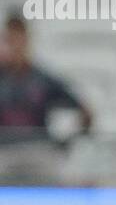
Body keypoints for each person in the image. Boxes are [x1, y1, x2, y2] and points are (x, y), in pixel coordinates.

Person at [0, 12, 91, 184]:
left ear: (27, 40)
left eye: (19, 39)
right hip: (4, 152)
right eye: (10, 40)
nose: (15, 46)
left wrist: (64, 144)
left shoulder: (42, 79)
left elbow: (85, 112)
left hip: (38, 151)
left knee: (56, 173)